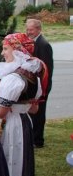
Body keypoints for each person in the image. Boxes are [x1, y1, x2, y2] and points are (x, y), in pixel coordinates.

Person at [0, 33, 44, 176]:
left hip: (11, 127)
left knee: (8, 169)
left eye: (6, 49)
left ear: (18, 51)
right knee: (17, 169)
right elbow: (34, 108)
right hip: (23, 123)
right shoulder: (33, 77)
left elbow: (1, 112)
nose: (2, 52)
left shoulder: (14, 78)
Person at [25, 18, 53, 148]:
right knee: (32, 112)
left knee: (39, 113)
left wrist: (43, 88)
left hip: (42, 85)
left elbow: (47, 68)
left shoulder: (43, 45)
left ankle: (38, 141)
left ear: (38, 29)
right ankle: (32, 137)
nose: (28, 32)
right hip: (35, 85)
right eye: (27, 29)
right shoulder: (31, 42)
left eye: (31, 29)